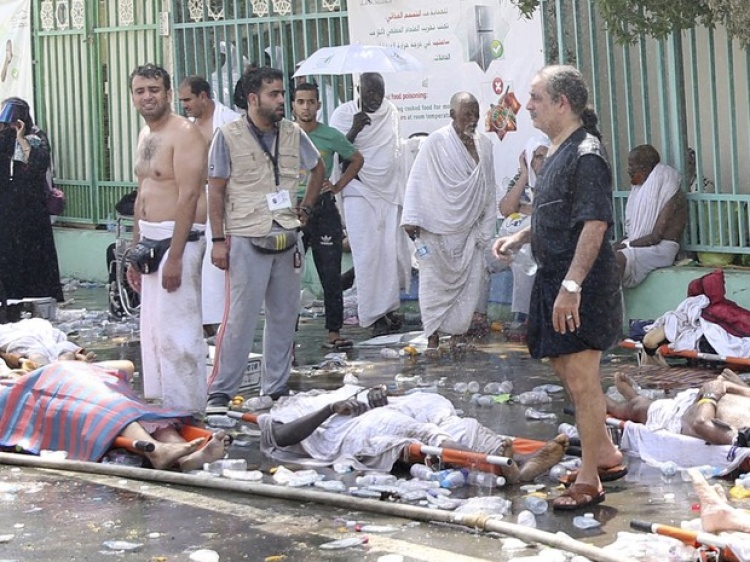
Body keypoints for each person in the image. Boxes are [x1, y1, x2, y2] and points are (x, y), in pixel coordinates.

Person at [492, 65, 624, 511]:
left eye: (535, 97)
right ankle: (604, 453)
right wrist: (522, 236)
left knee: (584, 380)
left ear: (562, 103)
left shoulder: (586, 153)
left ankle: (589, 480)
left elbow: (595, 222)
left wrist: (572, 286)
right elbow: (554, 212)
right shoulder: (555, 151)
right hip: (553, 278)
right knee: (563, 369)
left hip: (579, 284)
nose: (527, 105)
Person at [205, 67, 324, 414]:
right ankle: (221, 392)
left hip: (287, 234)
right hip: (245, 235)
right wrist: (217, 240)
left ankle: (276, 388)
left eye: (282, 94)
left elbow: (317, 169)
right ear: (253, 98)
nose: (281, 101)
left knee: (285, 316)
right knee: (239, 318)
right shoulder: (227, 136)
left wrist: (307, 208)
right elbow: (216, 190)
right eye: (274, 94)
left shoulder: (292, 133)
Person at [258, 384, 568, 482]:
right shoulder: (285, 411)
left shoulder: (330, 390)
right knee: (412, 430)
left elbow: (378, 396)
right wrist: (329, 410)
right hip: (353, 429)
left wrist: (375, 394)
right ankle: (511, 467)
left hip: (386, 408)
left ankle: (518, 458)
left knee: (439, 410)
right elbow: (282, 437)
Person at [126, 63, 208, 416]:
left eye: (154, 90)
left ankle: (187, 408)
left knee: (180, 331)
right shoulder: (147, 135)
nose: (147, 96)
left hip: (180, 241)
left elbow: (189, 196)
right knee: (156, 331)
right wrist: (134, 250)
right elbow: (143, 192)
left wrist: (174, 256)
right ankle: (165, 405)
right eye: (140, 91)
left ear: (169, 94)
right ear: (133, 97)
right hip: (150, 240)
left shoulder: (184, 133)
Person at [0, 360, 228, 470]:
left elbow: (126, 366)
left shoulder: (38, 338)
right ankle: (159, 451)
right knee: (108, 406)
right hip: (36, 387)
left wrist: (71, 361)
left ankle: (185, 455)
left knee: (130, 407)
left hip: (72, 374)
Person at [401, 92, 496, 350]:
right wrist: (412, 218)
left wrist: (487, 228)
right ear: (452, 114)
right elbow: (417, 180)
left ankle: (457, 335)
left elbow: (489, 188)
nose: (473, 119)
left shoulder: (485, 145)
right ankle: (432, 335)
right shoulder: (436, 142)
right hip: (437, 229)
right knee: (433, 285)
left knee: (468, 288)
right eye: (467, 113)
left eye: (476, 113)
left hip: (469, 232)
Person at [329, 72, 409, 337]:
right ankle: (373, 315)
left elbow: (394, 152)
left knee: (389, 254)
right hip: (359, 191)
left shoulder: (391, 112)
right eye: (370, 93)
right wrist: (354, 129)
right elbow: (339, 157)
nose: (375, 98)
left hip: (388, 192)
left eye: (380, 92)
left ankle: (388, 309)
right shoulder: (343, 114)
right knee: (367, 256)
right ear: (358, 91)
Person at [292, 82, 364, 349]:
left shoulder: (330, 135)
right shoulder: (285, 134)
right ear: (293, 105)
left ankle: (334, 333)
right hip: (292, 209)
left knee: (330, 274)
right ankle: (286, 335)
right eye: (301, 102)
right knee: (287, 276)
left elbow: (356, 158)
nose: (306, 107)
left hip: (323, 209)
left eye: (311, 102)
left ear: (319, 106)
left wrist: (337, 186)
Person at [178, 75, 242, 337]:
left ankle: (222, 329)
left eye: (188, 99)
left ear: (203, 96)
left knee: (218, 271)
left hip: (222, 201)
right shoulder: (186, 127)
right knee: (193, 268)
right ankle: (202, 328)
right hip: (194, 203)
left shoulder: (229, 122)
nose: (184, 105)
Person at [0, 97, 64, 303]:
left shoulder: (35, 137)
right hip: (7, 209)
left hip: (32, 209)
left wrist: (21, 137)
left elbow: (38, 164)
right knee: (9, 254)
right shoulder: (2, 138)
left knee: (35, 257)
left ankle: (39, 298)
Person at [606, 369, 750, 446]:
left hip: (680, 416)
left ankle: (590, 394)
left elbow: (701, 424)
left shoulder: (741, 437)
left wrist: (710, 396)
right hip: (700, 400)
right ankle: (634, 397)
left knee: (626, 410)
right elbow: (722, 385)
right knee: (645, 406)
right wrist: (725, 386)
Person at [614, 144, 686, 288]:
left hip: (661, 249)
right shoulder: (641, 189)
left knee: (616, 260)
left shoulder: (672, 194)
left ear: (645, 168)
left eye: (632, 166)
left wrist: (626, 245)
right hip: (640, 245)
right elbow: (631, 236)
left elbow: (655, 237)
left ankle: (609, 305)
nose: (629, 170)